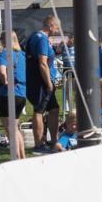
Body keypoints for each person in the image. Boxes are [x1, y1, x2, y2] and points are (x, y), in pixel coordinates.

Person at [26, 16, 61, 153]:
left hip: (40, 79)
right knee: (39, 110)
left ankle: (54, 140)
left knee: (54, 109)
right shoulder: (41, 38)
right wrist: (49, 83)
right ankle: (39, 143)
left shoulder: (37, 36)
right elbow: (42, 62)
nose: (57, 31)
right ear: (51, 26)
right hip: (40, 81)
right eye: (57, 27)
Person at [0, 30, 27, 160]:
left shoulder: (4, 54)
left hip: (7, 94)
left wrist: (5, 82)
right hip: (22, 93)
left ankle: (16, 157)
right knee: (15, 128)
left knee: (10, 128)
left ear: (3, 41)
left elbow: (2, 71)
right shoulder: (22, 54)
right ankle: (22, 156)